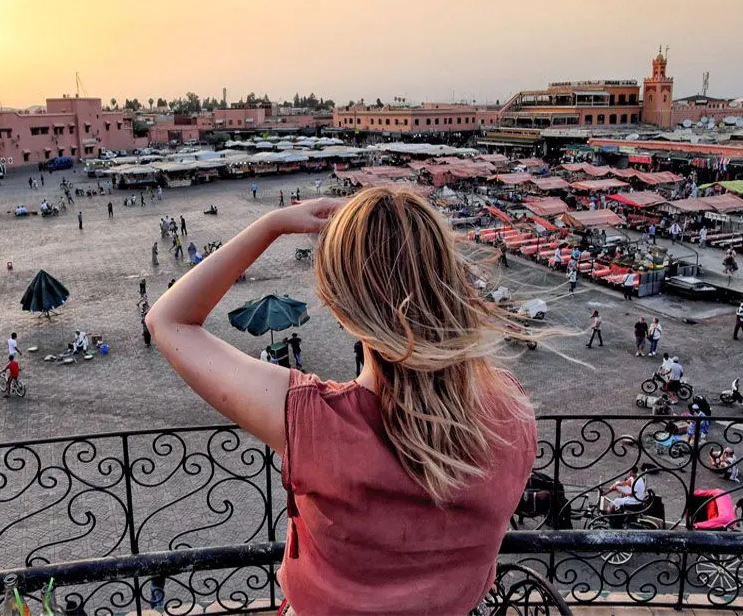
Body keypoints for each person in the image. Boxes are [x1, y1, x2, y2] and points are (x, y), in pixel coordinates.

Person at [144, 187, 536, 615]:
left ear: (338, 309)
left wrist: (271, 225)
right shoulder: (511, 410)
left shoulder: (314, 423)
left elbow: (168, 321)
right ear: (449, 282)